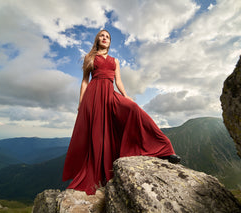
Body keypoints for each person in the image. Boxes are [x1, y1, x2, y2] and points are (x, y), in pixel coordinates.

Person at [62, 29, 180, 195]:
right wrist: (81, 104)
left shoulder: (115, 61)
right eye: (102, 35)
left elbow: (118, 81)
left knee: (133, 109)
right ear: (97, 39)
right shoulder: (90, 58)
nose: (105, 38)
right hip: (93, 96)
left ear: (110, 42)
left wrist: (126, 97)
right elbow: (84, 82)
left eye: (108, 37)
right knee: (97, 135)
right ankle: (99, 174)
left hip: (109, 94)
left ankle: (164, 148)